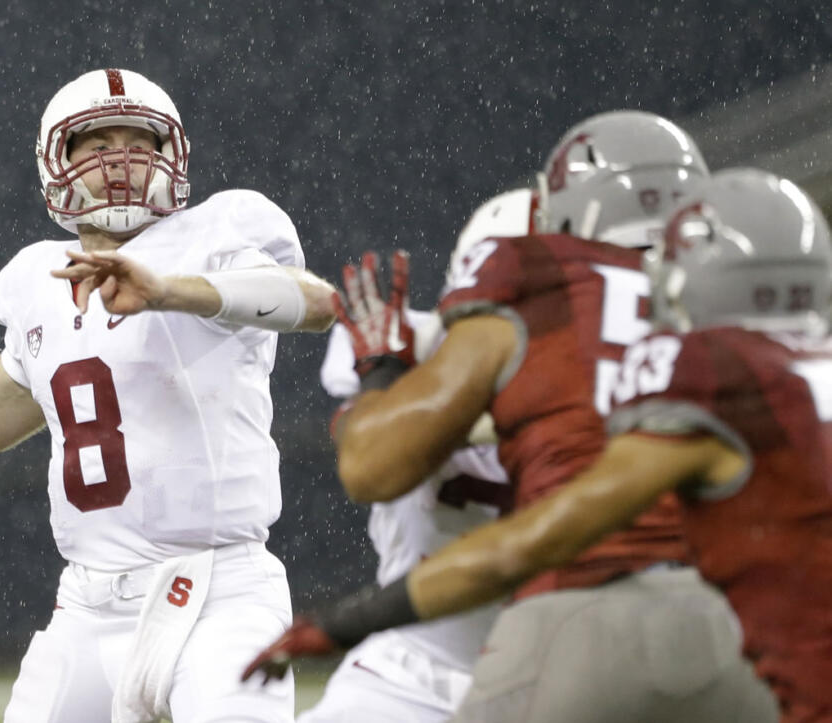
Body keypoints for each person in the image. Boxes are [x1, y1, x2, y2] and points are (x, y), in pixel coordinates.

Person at [0, 68, 336, 723]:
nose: (122, 158)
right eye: (98, 140)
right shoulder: (42, 281)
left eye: (140, 140)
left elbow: (317, 301)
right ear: (57, 161)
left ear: (172, 157)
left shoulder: (214, 238)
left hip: (220, 594)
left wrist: (168, 290)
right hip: (88, 607)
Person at [246, 111, 778, 722]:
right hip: (664, 636)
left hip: (522, 644)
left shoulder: (450, 339)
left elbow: (378, 467)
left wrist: (384, 376)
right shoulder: (724, 343)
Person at [297, 190, 527, 722]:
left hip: (547, 667)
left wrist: (395, 384)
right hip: (415, 666)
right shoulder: (426, 348)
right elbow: (364, 454)